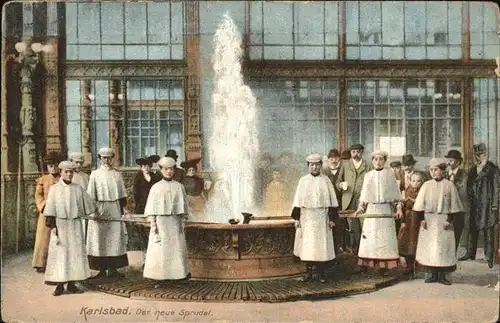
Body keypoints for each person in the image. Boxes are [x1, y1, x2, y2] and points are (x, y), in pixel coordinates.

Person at [43, 161, 95, 296]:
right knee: (61, 255)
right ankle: (60, 285)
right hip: (60, 225)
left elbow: (89, 205)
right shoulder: (55, 189)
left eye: (71, 171)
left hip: (75, 225)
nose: (69, 174)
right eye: (66, 171)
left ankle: (72, 284)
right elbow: (50, 210)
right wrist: (53, 226)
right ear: (61, 172)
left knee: (74, 255)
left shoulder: (78, 189)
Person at [414, 158, 464, 285]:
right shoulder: (426, 185)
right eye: (431, 170)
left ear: (442, 170)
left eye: (436, 170)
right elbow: (419, 205)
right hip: (429, 220)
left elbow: (454, 206)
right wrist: (422, 219)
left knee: (442, 248)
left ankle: (442, 276)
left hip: (443, 221)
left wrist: (449, 220)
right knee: (431, 248)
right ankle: (433, 275)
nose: (433, 172)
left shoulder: (449, 185)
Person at [143, 157, 191, 288]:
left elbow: (183, 210)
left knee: (175, 249)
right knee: (161, 250)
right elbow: (151, 210)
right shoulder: (155, 188)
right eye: (166, 169)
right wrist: (153, 225)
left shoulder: (179, 187)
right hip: (161, 223)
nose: (169, 171)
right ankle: (160, 278)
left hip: (174, 223)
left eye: (171, 169)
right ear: (161, 170)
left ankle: (176, 277)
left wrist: (182, 222)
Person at [291, 153, 339, 283]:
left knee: (321, 247)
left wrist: (333, 219)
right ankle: (308, 273)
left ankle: (321, 274)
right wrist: (296, 218)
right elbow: (297, 201)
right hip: (307, 217)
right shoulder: (303, 181)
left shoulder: (326, 180)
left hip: (322, 218)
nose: (314, 167)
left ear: (321, 166)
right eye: (312, 165)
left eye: (317, 165)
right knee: (308, 247)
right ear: (308, 166)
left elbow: (333, 201)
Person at [354, 151, 403, 276]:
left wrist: (398, 209)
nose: (378, 162)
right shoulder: (368, 175)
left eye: (381, 159)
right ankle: (365, 265)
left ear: (384, 161)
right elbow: (364, 195)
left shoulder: (390, 175)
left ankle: (383, 267)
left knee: (384, 239)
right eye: (375, 159)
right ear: (372, 161)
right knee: (370, 238)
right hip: (372, 210)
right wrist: (360, 208)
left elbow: (396, 196)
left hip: (385, 210)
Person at [86, 147, 129, 278]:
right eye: (104, 158)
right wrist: (93, 211)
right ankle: (101, 269)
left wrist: (123, 209)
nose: (106, 160)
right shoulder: (95, 174)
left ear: (112, 159)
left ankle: (113, 268)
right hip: (100, 209)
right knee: (100, 239)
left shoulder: (117, 174)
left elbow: (122, 196)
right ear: (99, 159)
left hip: (115, 208)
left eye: (109, 158)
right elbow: (91, 195)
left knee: (114, 238)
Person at [459, 143, 500, 268]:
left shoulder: (492, 169)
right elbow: (468, 185)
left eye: (481, 154)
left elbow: (497, 188)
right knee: (472, 229)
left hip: (487, 205)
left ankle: (489, 257)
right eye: (476, 154)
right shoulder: (472, 169)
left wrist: (494, 204)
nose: (478, 157)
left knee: (489, 230)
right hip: (474, 204)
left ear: (485, 154)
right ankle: (470, 253)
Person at [336, 143, 373, 253]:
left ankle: (365, 250)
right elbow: (338, 181)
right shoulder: (345, 165)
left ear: (362, 152)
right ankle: (355, 249)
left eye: (358, 152)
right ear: (351, 153)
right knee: (352, 226)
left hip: (363, 199)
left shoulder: (368, 165)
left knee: (364, 224)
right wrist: (341, 186)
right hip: (348, 199)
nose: (356, 154)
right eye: (353, 152)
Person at [32, 151, 63, 273]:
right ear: (47, 167)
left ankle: (58, 262)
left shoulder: (62, 179)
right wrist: (43, 206)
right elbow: (38, 196)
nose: (53, 168)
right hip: (46, 212)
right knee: (43, 237)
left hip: (60, 211)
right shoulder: (43, 180)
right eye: (50, 166)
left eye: (55, 165)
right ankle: (40, 263)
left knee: (58, 237)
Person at [131, 156, 162, 253]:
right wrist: (138, 205)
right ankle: (145, 253)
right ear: (141, 167)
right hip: (142, 207)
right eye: (144, 166)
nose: (146, 168)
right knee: (142, 230)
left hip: (153, 206)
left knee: (153, 229)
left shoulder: (155, 177)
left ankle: (154, 252)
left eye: (148, 166)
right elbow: (135, 193)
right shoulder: (138, 177)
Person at [397, 171, 425, 275]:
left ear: (421, 182)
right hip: (408, 219)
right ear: (410, 181)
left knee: (415, 241)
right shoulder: (407, 190)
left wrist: (411, 200)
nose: (415, 183)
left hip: (417, 219)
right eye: (413, 180)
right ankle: (408, 265)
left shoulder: (422, 191)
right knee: (406, 241)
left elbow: (422, 204)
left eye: (418, 181)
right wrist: (403, 220)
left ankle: (415, 265)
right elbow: (403, 206)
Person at [444, 149, 469, 255]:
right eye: (448, 160)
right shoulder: (445, 174)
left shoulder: (464, 174)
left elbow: (463, 191)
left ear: (458, 162)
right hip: (446, 206)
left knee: (458, 229)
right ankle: (446, 252)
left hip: (459, 205)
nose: (449, 163)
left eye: (451, 161)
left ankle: (453, 252)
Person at [323, 148, 346, 254]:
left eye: (336, 158)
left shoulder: (344, 169)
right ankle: (330, 247)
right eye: (331, 158)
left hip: (341, 200)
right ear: (328, 160)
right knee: (329, 223)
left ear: (339, 159)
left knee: (341, 223)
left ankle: (341, 246)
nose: (333, 160)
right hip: (328, 202)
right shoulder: (324, 171)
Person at [180, 158, 210, 222]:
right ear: (187, 171)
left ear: (195, 170)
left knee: (201, 217)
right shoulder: (184, 181)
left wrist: (206, 200)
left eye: (193, 170)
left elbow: (204, 191)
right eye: (189, 170)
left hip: (199, 200)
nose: (191, 172)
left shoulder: (200, 180)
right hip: (188, 200)